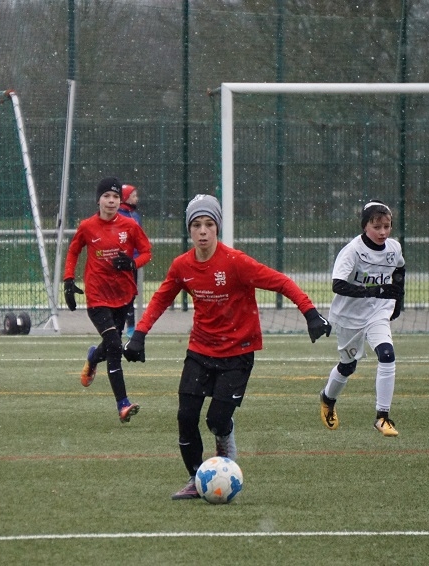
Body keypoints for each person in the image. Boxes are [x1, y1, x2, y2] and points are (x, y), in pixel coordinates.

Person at [123, 194, 332, 499]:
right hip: (200, 351)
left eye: (209, 224)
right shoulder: (182, 265)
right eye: (196, 225)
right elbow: (160, 300)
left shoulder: (236, 262)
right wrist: (139, 335)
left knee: (216, 420)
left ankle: (225, 440)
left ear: (217, 227)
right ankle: (196, 478)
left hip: (238, 353)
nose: (203, 231)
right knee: (186, 417)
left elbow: (281, 282)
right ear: (189, 229)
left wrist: (310, 313)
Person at [63, 177, 152, 422]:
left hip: (123, 295)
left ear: (120, 201)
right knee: (114, 345)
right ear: (98, 200)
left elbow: (147, 252)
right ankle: (123, 404)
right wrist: (68, 280)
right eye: (106, 196)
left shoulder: (130, 226)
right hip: (97, 297)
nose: (111, 201)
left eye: (115, 197)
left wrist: (132, 263)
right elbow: (73, 250)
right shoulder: (87, 226)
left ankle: (93, 357)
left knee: (112, 343)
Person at [316, 200, 406, 437]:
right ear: (365, 226)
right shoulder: (352, 250)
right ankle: (327, 398)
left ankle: (382, 417)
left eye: (387, 226)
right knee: (348, 366)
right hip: (350, 316)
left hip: (378, 312)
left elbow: (399, 269)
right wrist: (373, 290)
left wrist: (398, 301)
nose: (383, 232)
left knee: (387, 355)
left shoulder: (394, 248)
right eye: (377, 227)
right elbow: (338, 285)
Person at [117, 184, 143, 340]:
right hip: (120, 264)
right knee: (119, 296)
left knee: (130, 296)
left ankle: (131, 327)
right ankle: (117, 326)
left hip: (132, 264)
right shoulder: (116, 216)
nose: (136, 198)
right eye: (133, 196)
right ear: (125, 198)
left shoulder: (135, 216)